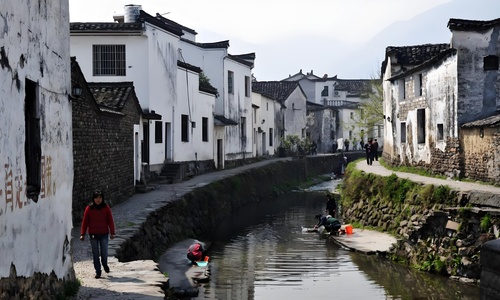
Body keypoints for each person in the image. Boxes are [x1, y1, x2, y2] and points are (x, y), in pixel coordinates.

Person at [80, 190, 116, 279]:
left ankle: (105, 264)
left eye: (100, 198)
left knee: (104, 252)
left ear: (102, 199)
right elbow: (85, 222)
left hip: (104, 234)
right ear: (93, 199)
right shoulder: (89, 209)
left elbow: (110, 221)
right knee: (95, 254)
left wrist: (112, 232)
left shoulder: (106, 208)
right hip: (93, 234)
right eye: (96, 198)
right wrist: (82, 234)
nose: (98, 200)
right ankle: (98, 271)